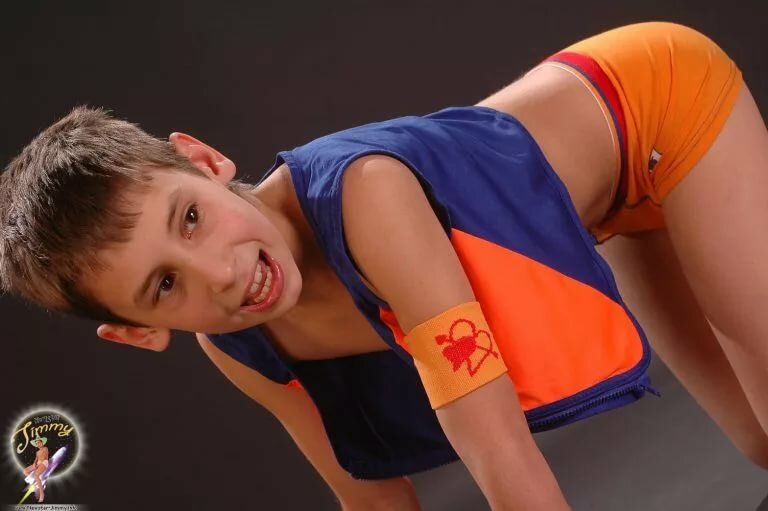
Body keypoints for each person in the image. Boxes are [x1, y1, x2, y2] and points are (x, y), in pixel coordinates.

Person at [1, 21, 766, 509]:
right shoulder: (240, 346)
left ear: (202, 161)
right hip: (594, 211)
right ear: (138, 330)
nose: (221, 273)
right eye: (166, 285)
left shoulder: (367, 196)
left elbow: (501, 452)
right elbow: (371, 500)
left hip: (652, 108)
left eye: (191, 218)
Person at [23, 437, 49, 503]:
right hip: (38, 464)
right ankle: (35, 483)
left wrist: (39, 465)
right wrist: (34, 464)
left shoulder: (45, 448)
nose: (38, 444)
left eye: (39, 443)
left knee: (36, 475)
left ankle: (42, 494)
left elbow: (44, 456)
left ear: (42, 443)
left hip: (44, 463)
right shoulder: (37, 452)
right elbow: (36, 459)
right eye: (37, 443)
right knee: (25, 471)